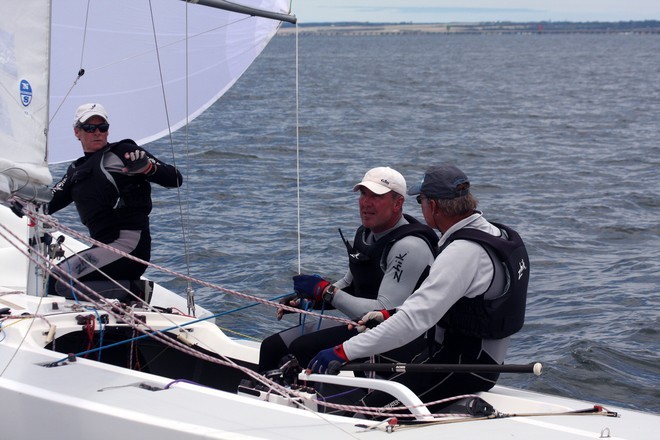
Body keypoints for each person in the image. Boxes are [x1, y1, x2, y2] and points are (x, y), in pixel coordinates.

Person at [307, 164, 530, 412]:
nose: (420, 207)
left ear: (432, 206)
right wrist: (388, 313)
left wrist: (342, 351)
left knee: (370, 412)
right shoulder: (495, 233)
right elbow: (453, 304)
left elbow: (415, 320)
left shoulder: (462, 252)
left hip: (462, 369)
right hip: (468, 359)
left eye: (420, 200)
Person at [258, 166, 439, 372]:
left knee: (302, 349)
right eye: (363, 194)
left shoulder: (409, 247)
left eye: (376, 196)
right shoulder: (365, 233)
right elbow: (349, 284)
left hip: (401, 339)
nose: (366, 203)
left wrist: (326, 291)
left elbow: (383, 311)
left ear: (398, 203)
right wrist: (309, 300)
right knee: (272, 347)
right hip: (362, 325)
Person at [46, 103, 183, 301]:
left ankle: (135, 292)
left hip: (128, 246)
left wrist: (147, 168)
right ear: (77, 132)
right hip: (105, 249)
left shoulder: (124, 152)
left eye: (103, 128)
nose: (97, 133)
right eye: (90, 128)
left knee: (55, 282)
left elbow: (175, 178)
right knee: (49, 281)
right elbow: (48, 203)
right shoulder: (76, 172)